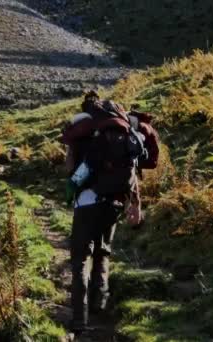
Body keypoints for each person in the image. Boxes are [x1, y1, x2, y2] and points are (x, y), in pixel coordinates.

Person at [60, 91, 159, 334]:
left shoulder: (85, 133)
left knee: (81, 258)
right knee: (103, 252)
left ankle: (80, 321)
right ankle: (100, 307)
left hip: (87, 201)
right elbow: (133, 173)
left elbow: (72, 166)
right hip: (115, 202)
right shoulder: (124, 133)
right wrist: (135, 205)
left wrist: (70, 185)